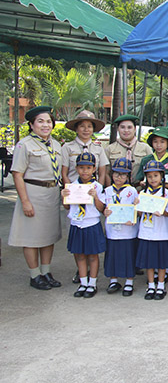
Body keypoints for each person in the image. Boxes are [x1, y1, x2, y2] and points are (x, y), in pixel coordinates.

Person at [8, 106, 63, 290]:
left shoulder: (56, 145)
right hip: (32, 193)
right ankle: (35, 275)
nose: (45, 125)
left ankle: (46, 272)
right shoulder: (24, 145)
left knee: (48, 236)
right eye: (40, 121)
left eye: (48, 121)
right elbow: (17, 174)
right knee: (31, 237)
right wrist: (25, 202)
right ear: (31, 125)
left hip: (51, 194)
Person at [61, 152, 106, 298]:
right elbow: (67, 207)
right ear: (76, 168)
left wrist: (95, 197)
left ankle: (92, 283)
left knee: (93, 255)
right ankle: (83, 282)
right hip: (77, 223)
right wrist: (64, 197)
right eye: (81, 167)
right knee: (79, 255)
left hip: (91, 223)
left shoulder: (97, 186)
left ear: (94, 169)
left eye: (88, 168)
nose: (84, 171)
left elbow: (102, 208)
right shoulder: (72, 186)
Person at [101, 158, 139, 297]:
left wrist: (135, 209)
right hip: (112, 231)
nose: (119, 177)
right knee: (113, 255)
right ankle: (113, 280)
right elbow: (103, 207)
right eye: (116, 174)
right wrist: (105, 211)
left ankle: (129, 281)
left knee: (128, 256)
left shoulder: (132, 191)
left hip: (128, 231)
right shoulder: (107, 190)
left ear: (128, 176)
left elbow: (137, 209)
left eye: (123, 174)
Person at [135, 160, 168, 301]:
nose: (153, 179)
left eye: (156, 176)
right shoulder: (142, 193)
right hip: (146, 232)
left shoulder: (166, 193)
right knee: (149, 262)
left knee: (161, 262)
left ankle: (161, 285)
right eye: (149, 176)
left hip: (161, 232)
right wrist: (137, 206)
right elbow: (139, 214)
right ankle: (150, 285)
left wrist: (161, 212)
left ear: (162, 177)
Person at [61, 110, 108, 186]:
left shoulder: (98, 148)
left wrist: (98, 189)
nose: (86, 130)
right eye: (82, 126)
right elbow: (64, 173)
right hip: (73, 187)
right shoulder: (67, 147)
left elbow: (102, 173)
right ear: (76, 129)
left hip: (93, 188)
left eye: (89, 126)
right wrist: (70, 189)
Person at [105, 114, 152, 183]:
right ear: (118, 129)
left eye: (129, 127)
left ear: (135, 129)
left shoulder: (145, 148)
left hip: (139, 187)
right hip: (117, 187)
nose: (126, 130)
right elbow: (106, 173)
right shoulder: (110, 149)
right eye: (122, 127)